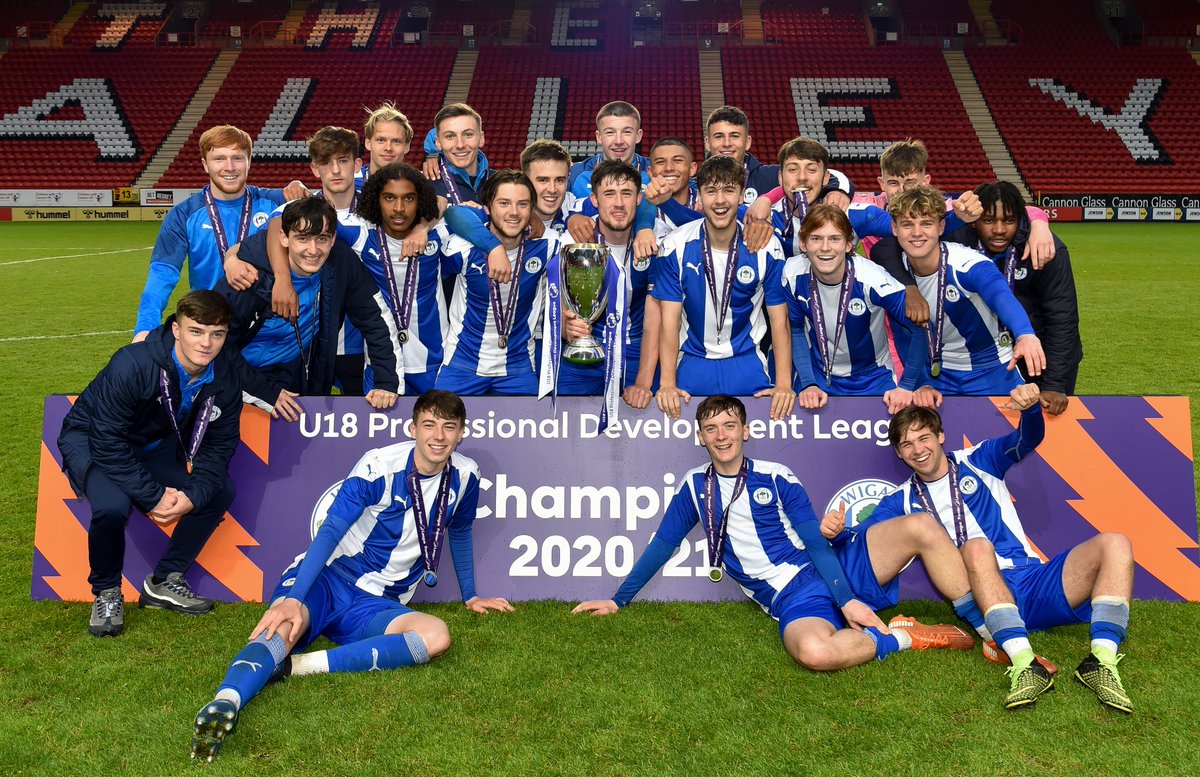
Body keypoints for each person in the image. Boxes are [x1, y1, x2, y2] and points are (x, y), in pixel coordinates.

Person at [190, 390, 514, 761]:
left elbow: (459, 530)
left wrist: (470, 594)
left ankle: (295, 667)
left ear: (461, 434)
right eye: (429, 425)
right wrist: (294, 597)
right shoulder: (378, 466)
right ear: (413, 428)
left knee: (436, 636)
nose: (438, 436)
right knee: (282, 626)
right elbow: (330, 532)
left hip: (377, 605)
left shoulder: (466, 476)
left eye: (448, 427)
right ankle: (226, 701)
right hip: (329, 579)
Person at [572, 395, 975, 672]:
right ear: (700, 437)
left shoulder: (777, 475)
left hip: (835, 568)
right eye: (711, 429)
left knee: (920, 525)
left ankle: (986, 627)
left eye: (730, 425)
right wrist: (618, 600)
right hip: (791, 597)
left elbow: (816, 542)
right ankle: (903, 637)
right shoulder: (695, 486)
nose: (722, 435)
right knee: (814, 653)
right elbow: (662, 545)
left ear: (745, 431)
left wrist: (847, 599)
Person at [839, 385, 1135, 712]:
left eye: (923, 437)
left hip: (1032, 581)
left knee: (1115, 543)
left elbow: (1027, 440)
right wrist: (837, 533)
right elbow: (866, 540)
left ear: (940, 437)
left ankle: (1102, 663)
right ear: (898, 453)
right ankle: (1023, 663)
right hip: (982, 594)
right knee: (978, 548)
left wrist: (1031, 410)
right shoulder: (900, 501)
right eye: (906, 444)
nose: (917, 449)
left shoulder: (979, 459)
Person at [59, 291, 244, 637]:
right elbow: (107, 441)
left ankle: (165, 580)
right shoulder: (133, 362)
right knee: (113, 506)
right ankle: (107, 591)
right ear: (176, 329)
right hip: (93, 439)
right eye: (196, 331)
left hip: (153, 445)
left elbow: (219, 449)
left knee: (218, 490)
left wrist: (193, 496)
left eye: (216, 334)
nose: (206, 343)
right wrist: (153, 496)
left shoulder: (227, 378)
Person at [215, 197, 402, 407]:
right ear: (284, 238)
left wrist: (386, 382)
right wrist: (266, 392)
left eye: (322, 238)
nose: (313, 250)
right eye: (302, 239)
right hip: (240, 378)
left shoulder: (342, 262)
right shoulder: (247, 276)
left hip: (297, 373)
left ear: (333, 239)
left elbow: (375, 319)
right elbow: (215, 345)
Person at [653, 156, 795, 421]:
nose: (720, 201)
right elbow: (669, 320)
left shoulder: (767, 247)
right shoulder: (675, 245)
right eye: (711, 191)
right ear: (701, 197)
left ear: (742, 195)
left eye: (729, 190)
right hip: (693, 362)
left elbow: (780, 321)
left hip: (747, 363)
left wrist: (784, 383)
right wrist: (667, 382)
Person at [886, 186, 1045, 398]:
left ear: (941, 227)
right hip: (938, 375)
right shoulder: (893, 276)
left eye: (926, 223)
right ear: (894, 228)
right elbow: (903, 335)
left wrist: (1025, 333)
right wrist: (922, 383)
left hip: (993, 369)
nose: (917, 233)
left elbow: (999, 294)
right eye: (907, 224)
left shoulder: (967, 263)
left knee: (1014, 429)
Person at [134, 125, 285, 340]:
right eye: (219, 159)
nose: (229, 167)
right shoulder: (183, 215)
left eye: (238, 158)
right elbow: (162, 272)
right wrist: (145, 328)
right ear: (205, 164)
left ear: (249, 161)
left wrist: (298, 187)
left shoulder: (277, 204)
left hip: (268, 330)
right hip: (209, 328)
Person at [946, 181, 1083, 415]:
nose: (999, 229)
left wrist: (1054, 383)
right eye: (989, 221)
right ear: (975, 220)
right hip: (985, 361)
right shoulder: (957, 242)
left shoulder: (1047, 250)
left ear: (1020, 219)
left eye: (1008, 220)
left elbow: (1062, 320)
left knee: (1044, 434)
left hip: (1039, 359)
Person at [437, 169, 576, 395]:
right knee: (439, 426)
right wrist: (493, 247)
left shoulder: (548, 246)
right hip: (462, 365)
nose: (513, 212)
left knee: (537, 428)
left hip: (518, 367)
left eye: (522, 204)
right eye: (504, 203)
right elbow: (453, 214)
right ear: (489, 208)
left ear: (532, 210)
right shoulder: (460, 248)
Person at [781, 205, 927, 412]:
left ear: (849, 244)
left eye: (834, 239)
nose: (825, 247)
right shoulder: (792, 273)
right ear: (803, 244)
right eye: (816, 238)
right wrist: (808, 382)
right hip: (819, 379)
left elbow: (920, 328)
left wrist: (906, 386)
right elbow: (795, 330)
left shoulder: (873, 279)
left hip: (873, 378)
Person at [339, 163, 449, 395]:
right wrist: (240, 254)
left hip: (434, 364)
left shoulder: (438, 235)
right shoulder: (361, 233)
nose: (399, 208)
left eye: (408, 198)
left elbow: (472, 214)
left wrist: (424, 225)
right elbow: (296, 220)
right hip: (381, 365)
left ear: (420, 201)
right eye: (389, 198)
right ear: (375, 200)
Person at [567, 100, 651, 199]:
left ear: (638, 136)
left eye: (627, 132)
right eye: (610, 132)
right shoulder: (574, 174)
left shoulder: (656, 172)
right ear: (599, 137)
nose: (618, 141)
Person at [354, 102, 414, 188]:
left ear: (407, 146)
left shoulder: (417, 186)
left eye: (396, 141)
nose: (388, 148)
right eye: (381, 140)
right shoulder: (349, 183)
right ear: (368, 143)